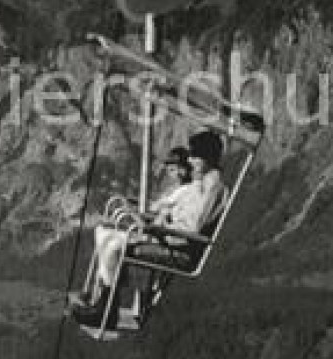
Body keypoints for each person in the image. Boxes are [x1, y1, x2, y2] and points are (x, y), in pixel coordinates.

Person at [72, 131, 225, 320]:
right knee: (106, 237)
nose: (191, 161)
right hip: (171, 241)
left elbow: (192, 228)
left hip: (180, 250)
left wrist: (160, 228)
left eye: (195, 156)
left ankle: (105, 309)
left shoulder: (211, 189)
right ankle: (102, 302)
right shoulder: (203, 184)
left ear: (207, 158)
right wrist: (160, 223)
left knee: (113, 246)